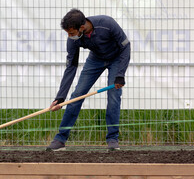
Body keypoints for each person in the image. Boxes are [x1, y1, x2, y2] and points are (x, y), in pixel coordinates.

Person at [46, 8, 131, 151]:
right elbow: (71, 67)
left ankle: (112, 140)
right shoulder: (73, 39)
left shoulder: (107, 23)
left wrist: (120, 75)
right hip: (96, 59)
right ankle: (60, 139)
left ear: (82, 27)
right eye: (68, 33)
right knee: (76, 95)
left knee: (114, 97)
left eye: (72, 33)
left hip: (116, 59)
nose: (70, 36)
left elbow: (126, 46)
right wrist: (60, 97)